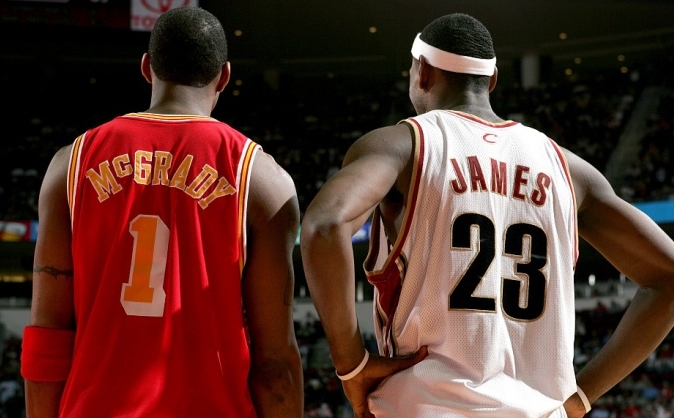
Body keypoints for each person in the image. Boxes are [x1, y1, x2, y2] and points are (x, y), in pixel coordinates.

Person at [300, 12, 674, 418]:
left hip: (423, 407)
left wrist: (352, 364)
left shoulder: (402, 145)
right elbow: (668, 276)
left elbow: (324, 226)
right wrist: (582, 396)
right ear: (492, 80)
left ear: (422, 72)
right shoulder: (570, 170)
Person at [22, 6, 303, 417]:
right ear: (225, 76)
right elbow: (275, 365)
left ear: (146, 67)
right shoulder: (263, 179)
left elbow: (46, 336)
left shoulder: (71, 164)